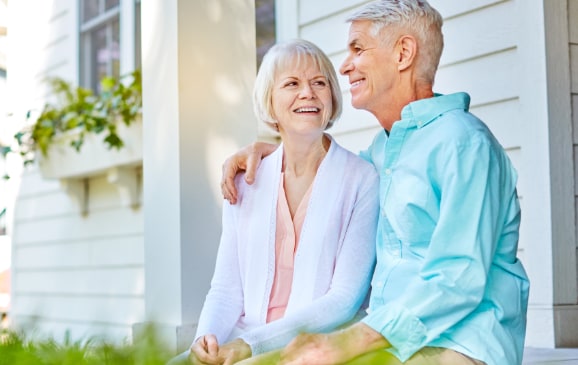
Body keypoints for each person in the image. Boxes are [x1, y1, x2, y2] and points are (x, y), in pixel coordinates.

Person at [222, 1, 530, 365]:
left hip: (458, 343)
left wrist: (349, 343)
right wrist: (274, 151)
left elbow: (457, 278)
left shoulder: (464, 145)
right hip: (386, 344)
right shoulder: (382, 152)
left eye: (358, 48)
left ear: (403, 53)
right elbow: (328, 167)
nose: (344, 65)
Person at [174, 39, 380, 365]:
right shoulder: (243, 179)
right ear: (270, 102)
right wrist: (206, 341)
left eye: (319, 83)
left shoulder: (362, 179)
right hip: (236, 343)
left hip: (310, 348)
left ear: (332, 97)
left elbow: (343, 299)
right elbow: (226, 289)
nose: (308, 93)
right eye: (291, 84)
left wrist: (250, 345)